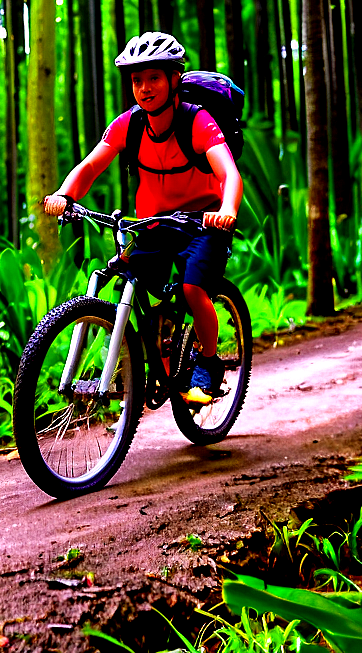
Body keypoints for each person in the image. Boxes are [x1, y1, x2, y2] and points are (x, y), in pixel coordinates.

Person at [44, 31, 243, 405]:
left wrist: (227, 209)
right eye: (137, 80)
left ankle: (208, 363)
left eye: (153, 77)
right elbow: (90, 167)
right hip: (152, 224)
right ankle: (157, 351)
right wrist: (64, 194)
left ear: (173, 79)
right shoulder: (128, 125)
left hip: (202, 223)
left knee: (192, 288)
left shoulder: (197, 122)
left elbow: (228, 173)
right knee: (127, 278)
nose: (145, 88)